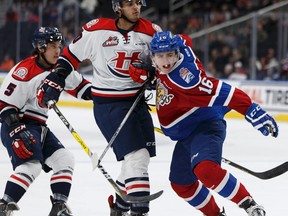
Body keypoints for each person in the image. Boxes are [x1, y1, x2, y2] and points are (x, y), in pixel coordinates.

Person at [130, 31, 279, 216]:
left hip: (204, 125)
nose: (166, 61)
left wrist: (252, 110)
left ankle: (250, 205)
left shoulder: (186, 79)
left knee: (205, 170)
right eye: (160, 56)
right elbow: (186, 38)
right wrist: (154, 74)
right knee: (181, 183)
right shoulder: (179, 48)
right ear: (153, 55)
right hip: (187, 133)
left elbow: (225, 92)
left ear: (177, 53)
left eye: (169, 55)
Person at [36, 1, 162, 215]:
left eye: (138, 3)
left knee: (139, 160)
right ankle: (140, 211)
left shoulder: (152, 32)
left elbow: (165, 63)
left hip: (138, 102)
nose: (136, 8)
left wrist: (153, 73)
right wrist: (57, 78)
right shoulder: (97, 30)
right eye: (129, 3)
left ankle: (119, 208)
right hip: (109, 104)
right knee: (137, 156)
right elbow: (68, 58)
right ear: (118, 8)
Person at [0, 27, 91, 216]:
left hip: (39, 127)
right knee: (31, 166)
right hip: (18, 125)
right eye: (52, 46)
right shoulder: (24, 70)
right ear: (41, 48)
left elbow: (83, 89)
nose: (58, 50)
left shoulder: (62, 69)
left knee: (65, 159)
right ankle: (4, 206)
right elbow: (4, 105)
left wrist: (111, 95)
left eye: (59, 45)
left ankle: (59, 207)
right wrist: (17, 129)